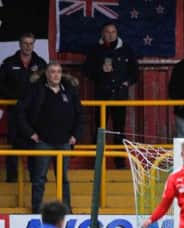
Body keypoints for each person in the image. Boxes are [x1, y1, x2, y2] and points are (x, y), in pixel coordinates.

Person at [16, 62, 81, 214]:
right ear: (46, 74)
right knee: (39, 178)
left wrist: (75, 135)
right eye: (52, 72)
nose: (56, 75)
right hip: (43, 142)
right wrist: (30, 133)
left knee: (63, 178)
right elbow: (20, 112)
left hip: (64, 142)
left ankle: (67, 209)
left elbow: (80, 114)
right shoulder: (36, 90)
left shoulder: (69, 91)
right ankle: (37, 210)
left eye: (58, 71)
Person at [83, 22, 138, 169]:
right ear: (102, 33)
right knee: (100, 129)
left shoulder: (126, 49)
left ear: (117, 33)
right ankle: (97, 164)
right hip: (102, 96)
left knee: (119, 130)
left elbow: (135, 72)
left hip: (120, 96)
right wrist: (100, 70)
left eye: (113, 32)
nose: (111, 34)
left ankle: (119, 163)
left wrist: (127, 82)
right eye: (107, 32)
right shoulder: (95, 50)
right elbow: (87, 71)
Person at [0, 32, 47, 182]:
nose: (28, 46)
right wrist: (14, 97)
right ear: (20, 44)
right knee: (14, 143)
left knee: (36, 143)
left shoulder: (40, 63)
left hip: (35, 112)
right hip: (15, 110)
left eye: (30, 43)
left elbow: (47, 84)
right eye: (25, 43)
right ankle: (12, 178)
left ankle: (37, 177)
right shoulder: (8, 62)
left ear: (34, 44)